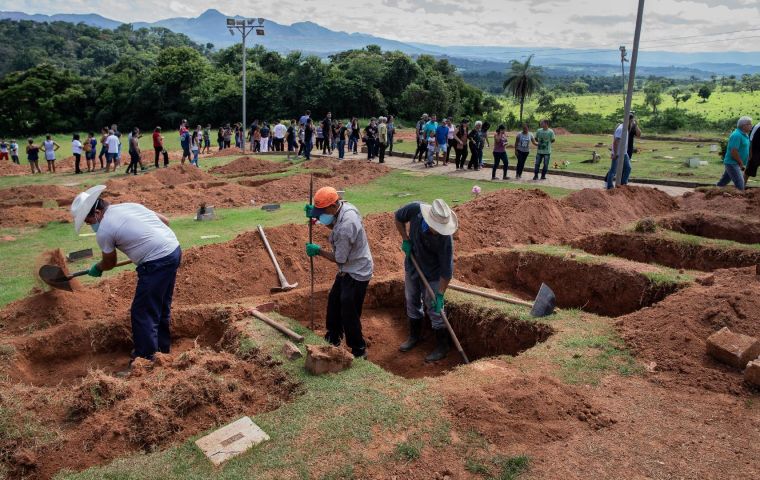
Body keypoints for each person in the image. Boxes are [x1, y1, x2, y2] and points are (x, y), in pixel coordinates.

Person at [71, 185, 181, 365]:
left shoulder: (105, 230)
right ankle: (161, 350)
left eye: (90, 221)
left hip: (156, 262)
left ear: (97, 212)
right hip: (173, 250)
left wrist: (97, 268)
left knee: (142, 311)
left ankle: (145, 358)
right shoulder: (129, 206)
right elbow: (165, 221)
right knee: (160, 305)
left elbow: (109, 263)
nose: (90, 225)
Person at [305, 187, 373, 358]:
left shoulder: (347, 225)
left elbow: (340, 258)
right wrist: (317, 216)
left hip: (357, 271)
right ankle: (333, 338)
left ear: (333, 206)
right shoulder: (344, 208)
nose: (321, 215)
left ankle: (359, 349)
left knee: (348, 309)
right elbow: (333, 223)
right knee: (334, 301)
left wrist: (318, 251)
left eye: (323, 211)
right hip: (347, 269)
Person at [395, 199, 458, 362]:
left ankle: (442, 346)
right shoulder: (415, 209)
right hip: (413, 265)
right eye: (436, 228)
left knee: (435, 309)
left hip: (434, 273)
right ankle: (415, 337)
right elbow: (398, 218)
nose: (438, 231)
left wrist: (440, 294)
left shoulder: (445, 239)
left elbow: (447, 271)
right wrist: (405, 239)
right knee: (411, 300)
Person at [605, 112, 641, 189]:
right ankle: (609, 186)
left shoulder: (626, 128)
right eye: (632, 121)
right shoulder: (621, 129)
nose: (632, 124)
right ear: (629, 121)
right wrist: (614, 153)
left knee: (628, 168)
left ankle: (623, 185)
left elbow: (639, 134)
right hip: (618, 153)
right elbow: (615, 142)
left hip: (624, 153)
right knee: (613, 170)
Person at [716, 116, 753, 191]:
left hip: (735, 163)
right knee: (740, 182)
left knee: (724, 181)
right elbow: (733, 151)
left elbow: (745, 148)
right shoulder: (736, 135)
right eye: (749, 124)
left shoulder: (745, 135)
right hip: (732, 163)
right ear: (744, 126)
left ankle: (713, 192)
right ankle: (740, 200)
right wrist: (740, 162)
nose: (751, 126)